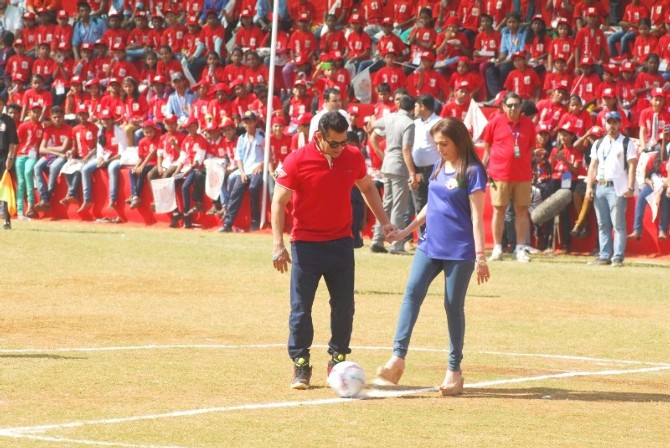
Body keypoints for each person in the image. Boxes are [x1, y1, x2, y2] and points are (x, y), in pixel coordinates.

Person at [271, 111, 394, 390]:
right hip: (305, 245)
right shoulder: (296, 160)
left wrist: (385, 222)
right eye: (334, 143)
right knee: (301, 308)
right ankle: (301, 365)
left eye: (344, 142)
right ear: (319, 137)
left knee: (344, 307)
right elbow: (278, 202)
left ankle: (337, 360)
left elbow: (368, 188)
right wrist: (278, 244)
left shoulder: (351, 156)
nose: (341, 149)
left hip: (341, 243)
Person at [373, 117, 490, 395]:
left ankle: (454, 372)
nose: (440, 149)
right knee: (412, 293)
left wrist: (481, 256)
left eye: (444, 144)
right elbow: (431, 205)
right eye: (437, 144)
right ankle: (397, 359)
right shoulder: (439, 165)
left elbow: (476, 216)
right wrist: (405, 232)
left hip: (459, 250)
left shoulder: (472, 171)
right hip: (429, 245)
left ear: (459, 141)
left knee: (452, 306)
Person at [482, 92, 536, 262]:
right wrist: (485, 168)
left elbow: (531, 148)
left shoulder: (528, 124)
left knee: (522, 210)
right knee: (499, 210)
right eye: (510, 105)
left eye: (517, 105)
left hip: (523, 175)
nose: (513, 108)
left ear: (521, 107)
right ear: (503, 106)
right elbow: (487, 146)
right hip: (499, 174)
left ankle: (520, 248)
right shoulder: (495, 123)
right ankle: (497, 247)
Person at [585, 111, 637, 267]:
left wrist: (630, 186)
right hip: (600, 186)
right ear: (604, 124)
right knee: (603, 224)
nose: (612, 126)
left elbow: (632, 166)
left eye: (615, 122)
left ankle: (618, 256)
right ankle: (604, 255)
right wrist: (589, 186)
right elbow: (593, 166)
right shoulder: (598, 143)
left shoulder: (627, 142)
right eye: (609, 122)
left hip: (617, 187)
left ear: (620, 124)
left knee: (618, 224)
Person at [368, 94, 416, 254]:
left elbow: (373, 124)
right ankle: (396, 244)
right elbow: (406, 149)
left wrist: (371, 121)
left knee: (386, 203)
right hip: (399, 166)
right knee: (398, 206)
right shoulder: (409, 123)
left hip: (386, 164)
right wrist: (412, 172)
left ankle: (377, 239)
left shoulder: (389, 117)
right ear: (411, 109)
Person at [411, 94, 441, 238]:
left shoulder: (438, 122)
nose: (414, 108)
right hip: (418, 170)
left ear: (423, 106)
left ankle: (435, 236)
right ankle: (423, 238)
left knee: (435, 204)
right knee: (419, 204)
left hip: (435, 170)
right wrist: (413, 171)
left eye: (416, 105)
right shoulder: (415, 123)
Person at [0, 92, 18, 230]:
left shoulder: (8, 120)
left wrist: (10, 158)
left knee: (5, 188)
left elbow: (13, 142)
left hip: (4, 156)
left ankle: (6, 219)